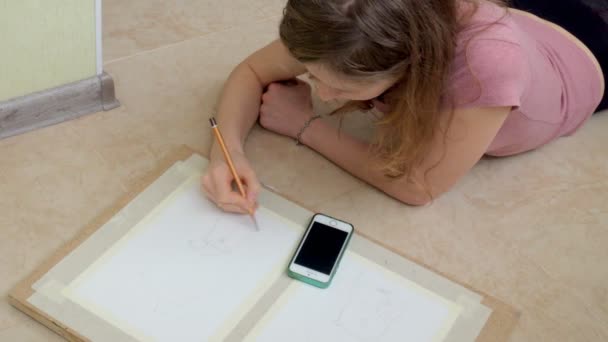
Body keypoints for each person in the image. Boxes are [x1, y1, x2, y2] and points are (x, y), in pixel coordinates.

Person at [202, 0, 606, 212]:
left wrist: (305, 124)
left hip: (590, 54)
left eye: (336, 86)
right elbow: (253, 71)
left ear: (407, 66)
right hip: (524, 17)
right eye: (313, 73)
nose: (320, 94)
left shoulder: (486, 68)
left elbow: (420, 185)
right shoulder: (346, 16)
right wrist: (226, 153)